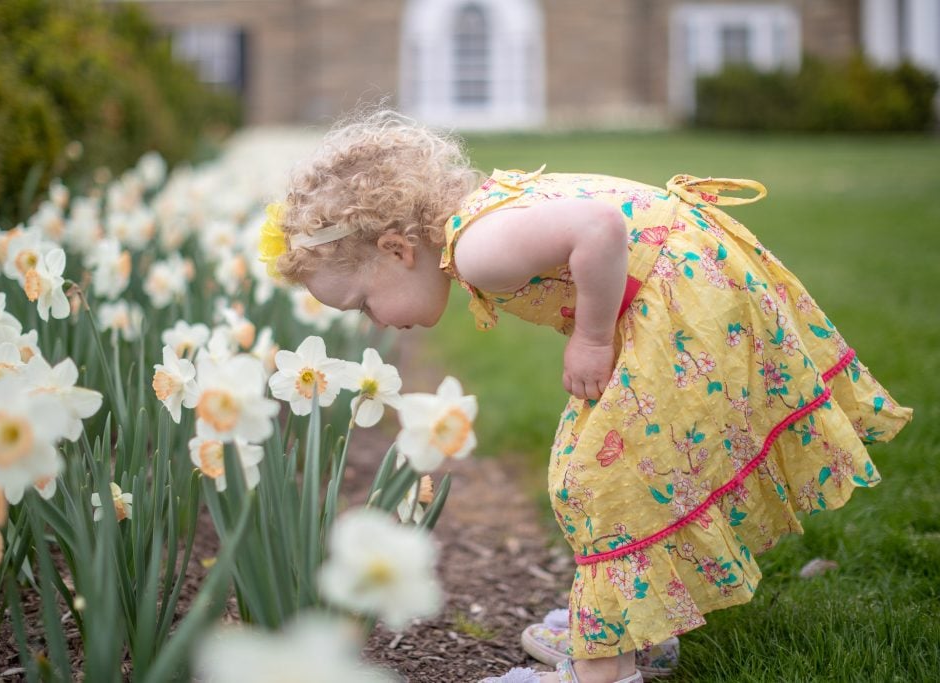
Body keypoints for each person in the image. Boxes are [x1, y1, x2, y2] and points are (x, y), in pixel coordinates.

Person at [258, 110, 913, 683]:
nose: (373, 320)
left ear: (398, 249)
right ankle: (637, 631)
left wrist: (594, 340)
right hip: (681, 289)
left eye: (364, 301)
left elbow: (599, 229)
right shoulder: (474, 227)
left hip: (679, 302)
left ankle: (604, 668)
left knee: (594, 477)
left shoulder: (480, 248)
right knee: (630, 463)